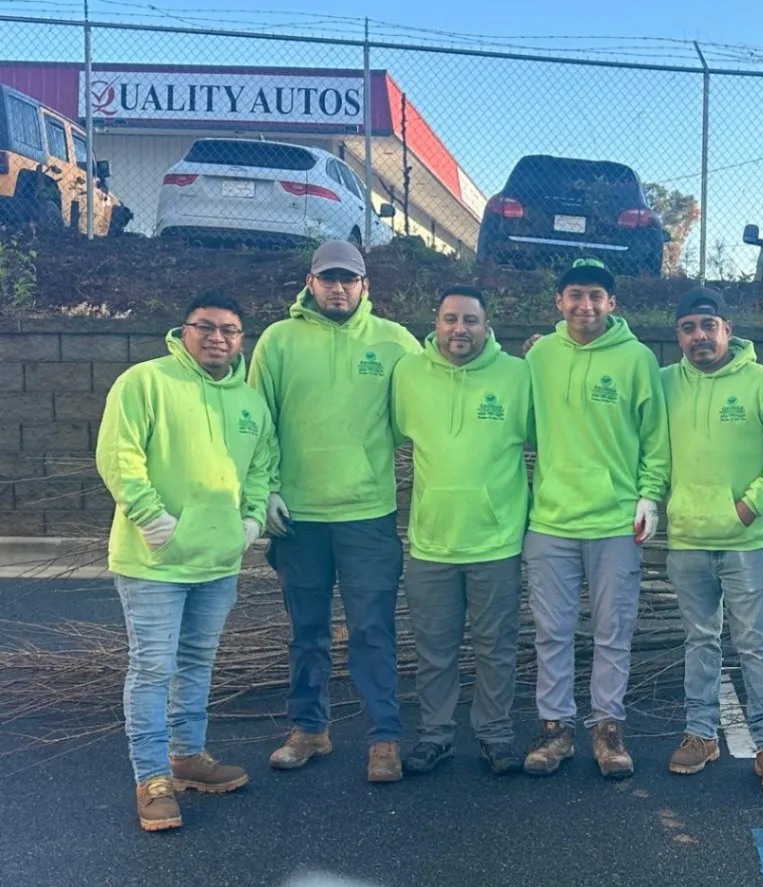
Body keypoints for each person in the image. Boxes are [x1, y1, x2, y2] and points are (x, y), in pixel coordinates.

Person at [96, 291, 275, 831]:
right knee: (153, 666)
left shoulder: (250, 403)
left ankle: (187, 756)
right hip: (155, 560)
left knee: (197, 663)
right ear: (185, 330)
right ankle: (151, 777)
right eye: (207, 327)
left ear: (242, 340)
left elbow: (265, 466)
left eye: (230, 330)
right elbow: (118, 454)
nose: (218, 337)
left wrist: (251, 521)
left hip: (218, 563)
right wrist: (151, 517)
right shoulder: (145, 382)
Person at [248, 241, 421, 783]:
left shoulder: (395, 343)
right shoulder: (278, 341)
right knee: (307, 631)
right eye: (329, 279)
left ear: (365, 284)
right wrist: (265, 493)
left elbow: (435, 392)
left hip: (367, 514)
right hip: (298, 517)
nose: (339, 288)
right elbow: (259, 422)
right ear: (311, 281)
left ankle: (384, 739)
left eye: (349, 279)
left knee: (373, 630)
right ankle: (309, 729)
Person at [522, 258, 670, 779]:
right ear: (559, 302)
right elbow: (525, 425)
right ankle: (555, 730)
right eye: (575, 295)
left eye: (595, 296)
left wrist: (650, 496)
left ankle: (608, 729)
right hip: (551, 521)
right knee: (552, 632)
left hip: (614, 523)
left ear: (612, 303)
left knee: (613, 631)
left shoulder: (637, 360)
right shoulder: (538, 356)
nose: (585, 305)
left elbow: (656, 437)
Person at [661, 287, 763, 792]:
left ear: (727, 329)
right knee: (699, 639)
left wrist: (749, 505)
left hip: (744, 539)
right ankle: (701, 734)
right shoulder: (662, 385)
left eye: (708, 325)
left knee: (754, 643)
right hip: (686, 537)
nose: (699, 336)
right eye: (688, 328)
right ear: (678, 335)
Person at [391, 286, 532, 777]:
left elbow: (551, 437)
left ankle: (495, 734)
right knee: (434, 647)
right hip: (431, 540)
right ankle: (436, 735)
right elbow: (383, 434)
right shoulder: (408, 373)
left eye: (471, 320)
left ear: (487, 327)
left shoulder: (518, 375)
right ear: (436, 322)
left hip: (496, 540)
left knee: (496, 645)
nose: (459, 329)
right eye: (450, 318)